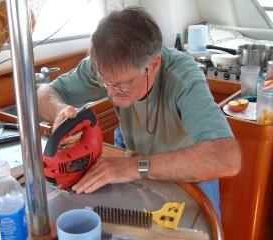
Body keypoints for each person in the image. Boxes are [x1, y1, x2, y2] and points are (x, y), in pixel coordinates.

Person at [37, 7, 242, 217]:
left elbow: (227, 158)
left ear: (153, 65)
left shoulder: (184, 78)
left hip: (189, 177)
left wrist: (130, 167)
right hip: (137, 165)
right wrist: (60, 111)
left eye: (120, 85)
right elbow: (43, 93)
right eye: (103, 81)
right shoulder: (107, 65)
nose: (109, 92)